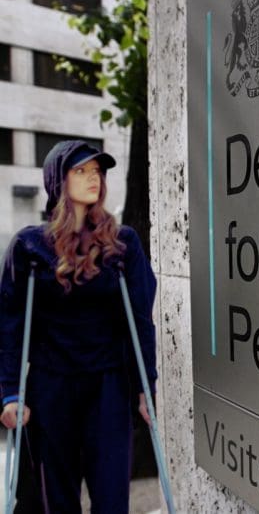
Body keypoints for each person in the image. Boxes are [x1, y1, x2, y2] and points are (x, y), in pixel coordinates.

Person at [0, 140, 158, 513]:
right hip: (50, 387)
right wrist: (9, 392)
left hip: (109, 387)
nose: (94, 178)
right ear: (58, 179)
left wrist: (144, 387)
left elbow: (140, 320)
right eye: (81, 170)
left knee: (111, 500)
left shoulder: (122, 244)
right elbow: (9, 322)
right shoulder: (29, 247)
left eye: (98, 171)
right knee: (58, 499)